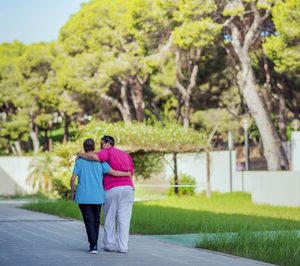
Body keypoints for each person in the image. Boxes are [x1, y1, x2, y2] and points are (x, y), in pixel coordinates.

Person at [70, 138, 131, 254]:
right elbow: (114, 172)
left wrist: (73, 192)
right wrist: (127, 173)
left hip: (83, 196)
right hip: (98, 196)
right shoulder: (101, 162)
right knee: (96, 220)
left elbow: (73, 179)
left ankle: (93, 246)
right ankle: (96, 244)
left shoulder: (79, 161)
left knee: (88, 220)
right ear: (94, 148)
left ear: (84, 147)